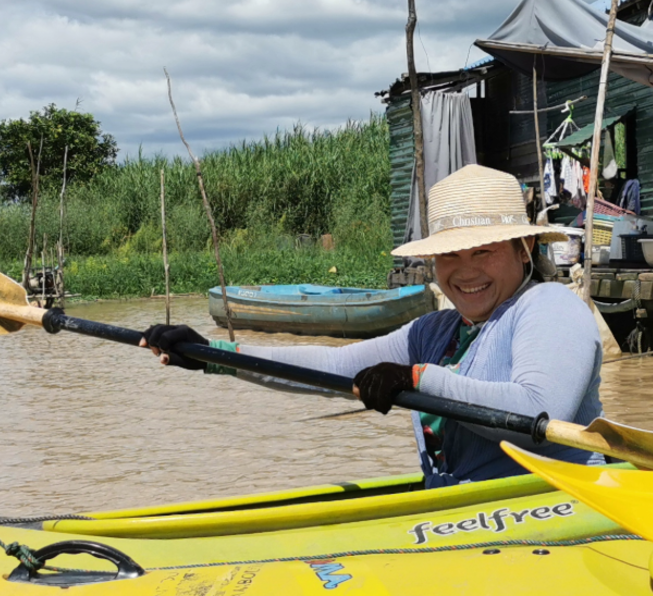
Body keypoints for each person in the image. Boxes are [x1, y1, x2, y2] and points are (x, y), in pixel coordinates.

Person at [140, 164, 606, 489]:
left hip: (552, 512)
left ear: (524, 249)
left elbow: (540, 414)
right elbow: (333, 366)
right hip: (460, 518)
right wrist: (213, 356)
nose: (466, 271)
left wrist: (415, 379)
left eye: (483, 251)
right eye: (449, 254)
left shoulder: (550, 306)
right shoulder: (434, 332)